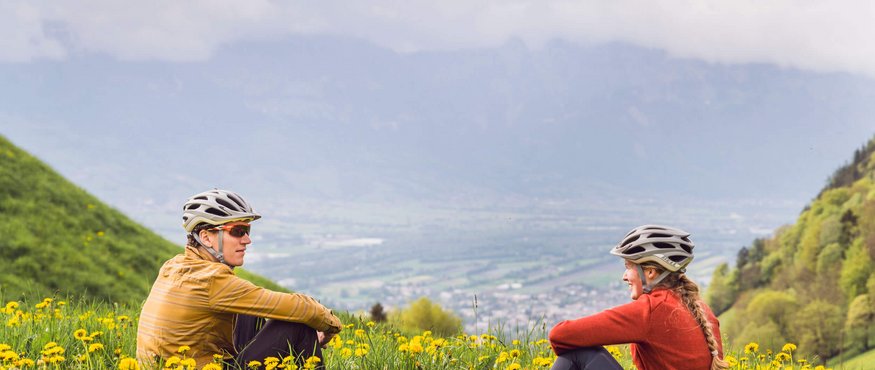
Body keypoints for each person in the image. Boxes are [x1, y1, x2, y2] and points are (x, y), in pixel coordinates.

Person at [136, 189, 343, 369]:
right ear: (206, 237)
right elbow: (303, 308)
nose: (247, 240)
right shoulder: (211, 280)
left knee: (248, 311)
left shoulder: (173, 266)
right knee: (298, 323)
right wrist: (331, 327)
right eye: (237, 231)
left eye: (247, 230)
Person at [548, 225, 728, 370]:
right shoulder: (701, 308)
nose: (624, 276)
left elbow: (560, 335)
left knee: (578, 354)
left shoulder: (652, 309)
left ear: (650, 272)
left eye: (628, 267)